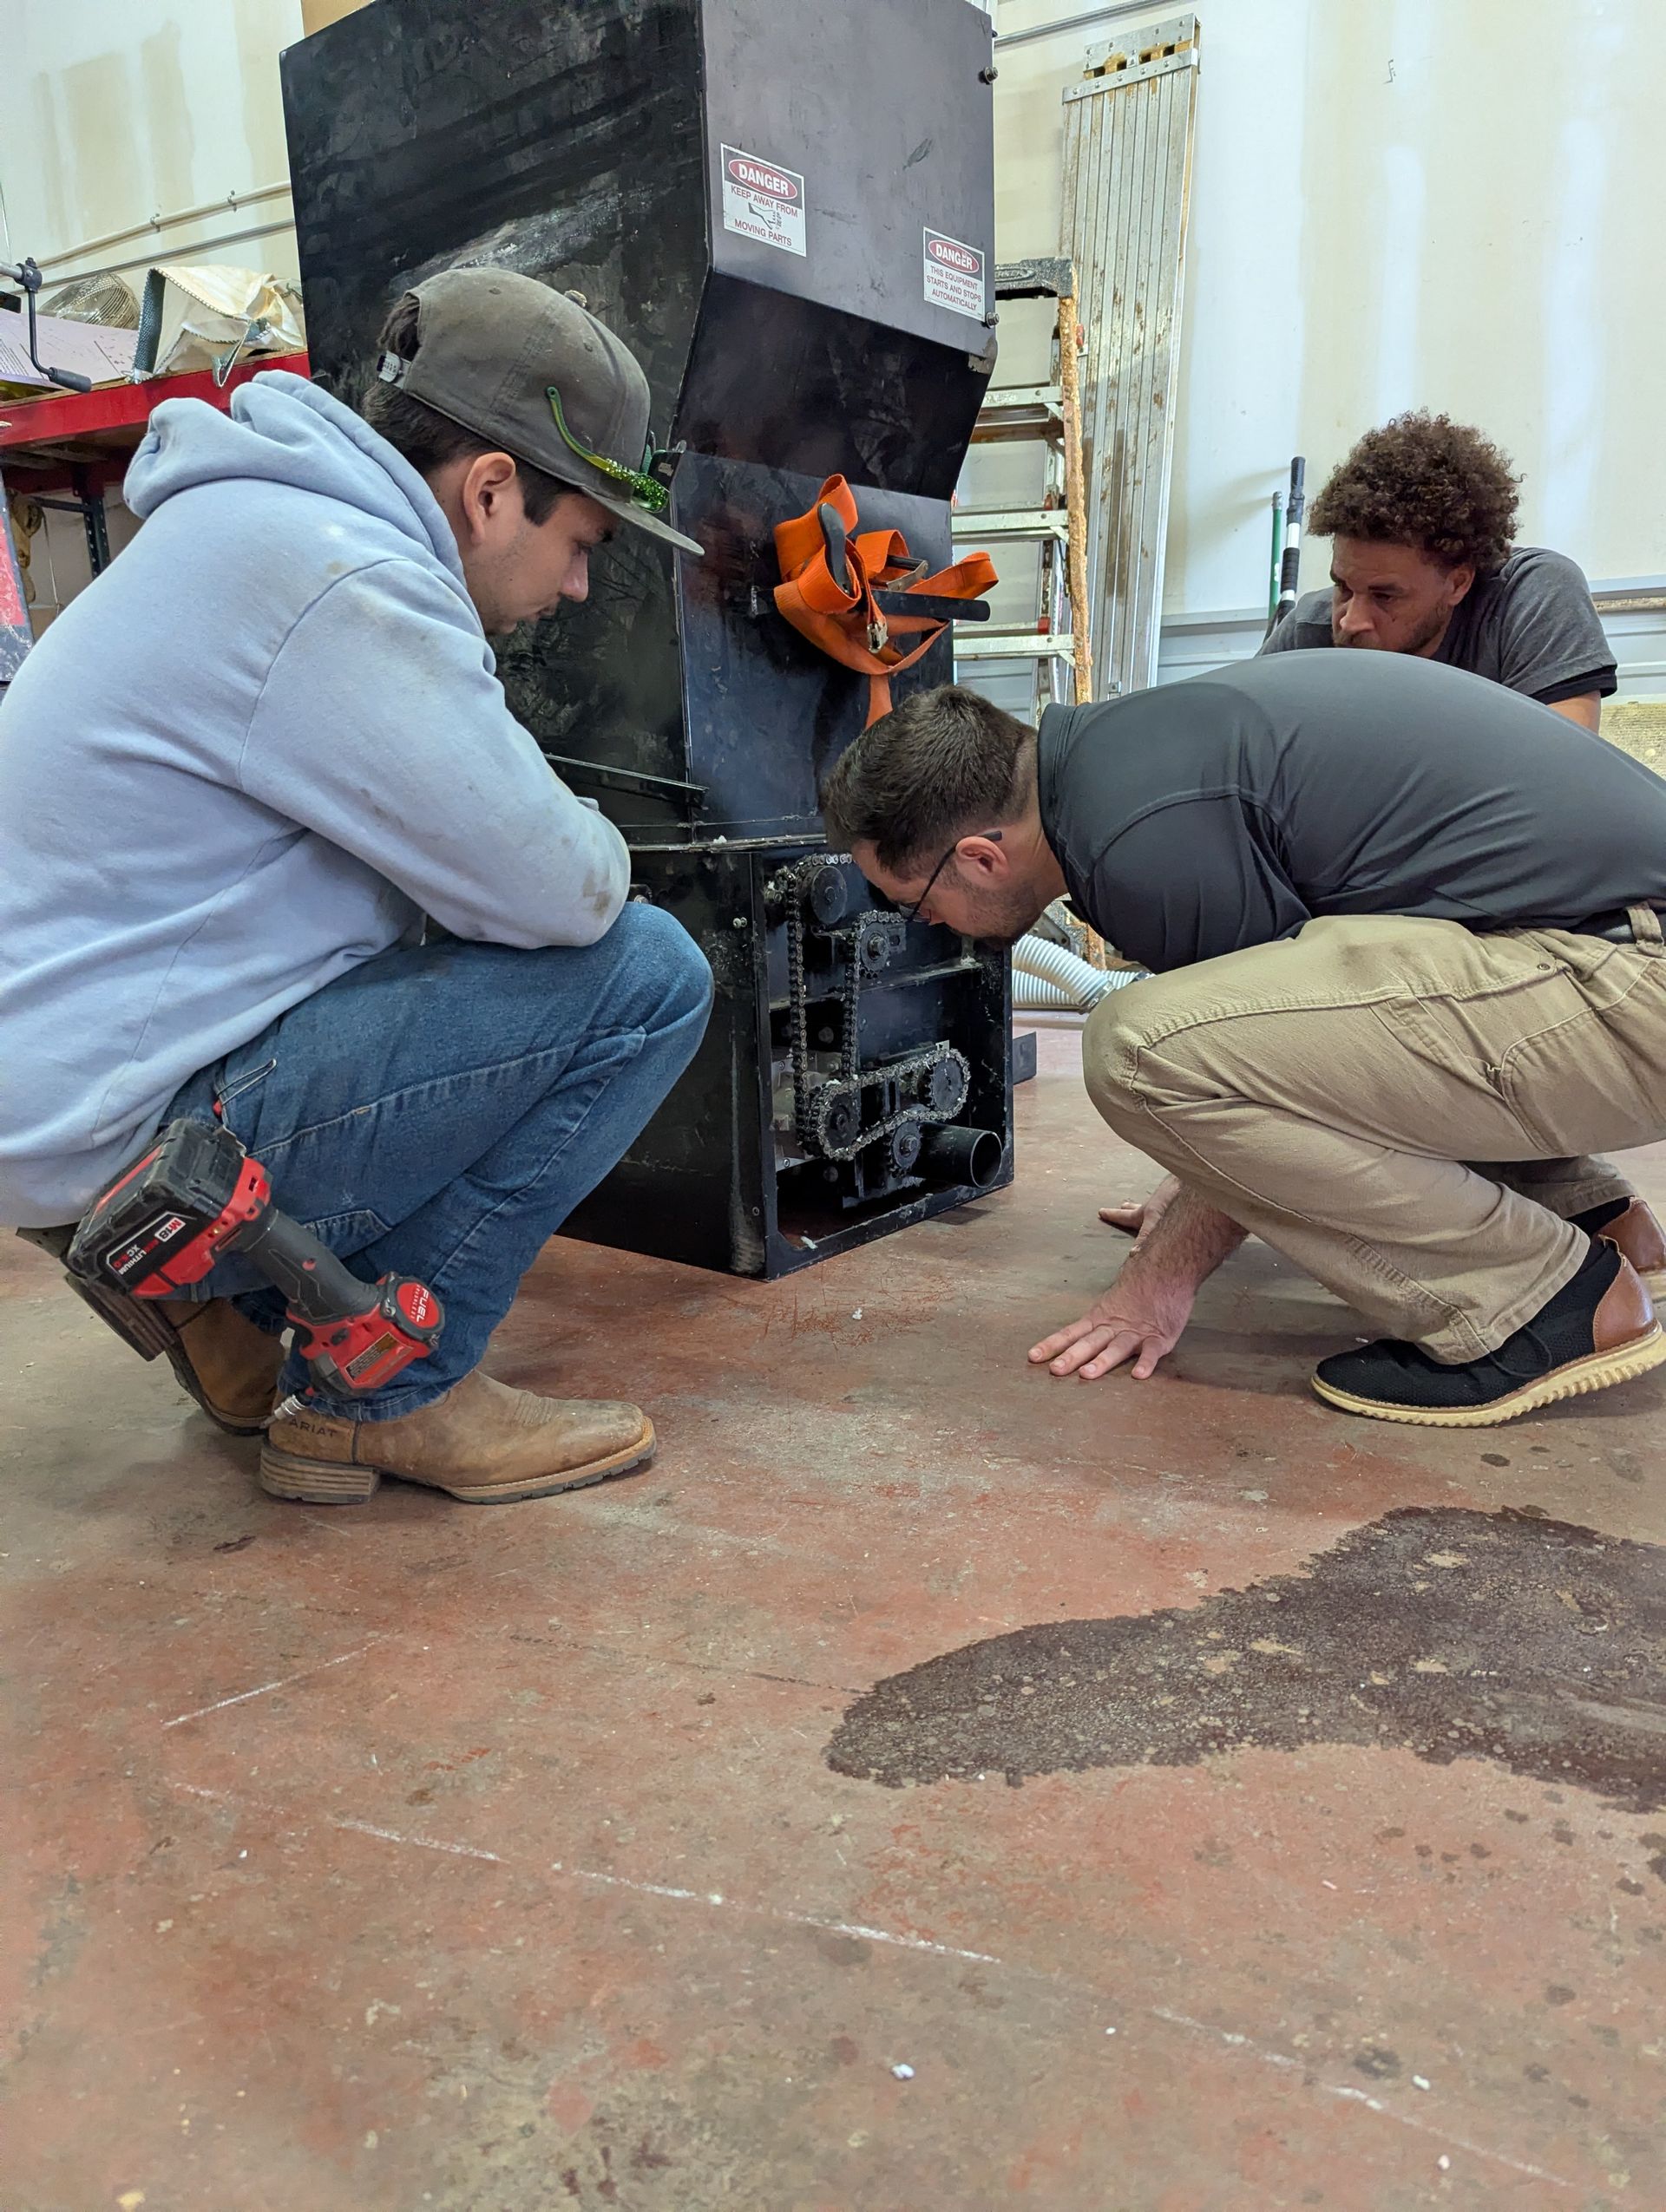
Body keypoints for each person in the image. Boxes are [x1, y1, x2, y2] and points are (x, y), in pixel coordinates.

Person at [0, 267, 713, 1504]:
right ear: (493, 492)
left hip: (58, 1086)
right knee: (647, 976)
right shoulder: (343, 584)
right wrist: (591, 830)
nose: (581, 585)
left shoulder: (257, 528)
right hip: (122, 1128)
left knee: (419, 943)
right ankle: (387, 1391)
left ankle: (229, 1330)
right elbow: (563, 890)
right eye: (582, 542)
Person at [819, 659, 1666, 1429]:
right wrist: (1207, 1164)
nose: (922, 923)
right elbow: (1300, 1029)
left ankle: (1539, 1302)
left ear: (979, 857)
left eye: (913, 899)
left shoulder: (1135, 843)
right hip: (1599, 946)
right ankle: (1591, 1213)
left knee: (1139, 1053)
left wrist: (1158, 1278)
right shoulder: (1120, 760)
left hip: (1629, 980)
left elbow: (1235, 1074)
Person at [1262, 411, 1616, 732]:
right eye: (1343, 588)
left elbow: (1559, 772)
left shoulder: (1533, 598)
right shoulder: (1309, 632)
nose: (1350, 622)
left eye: (1385, 596)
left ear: (1458, 583)